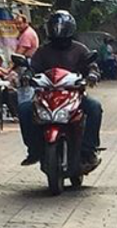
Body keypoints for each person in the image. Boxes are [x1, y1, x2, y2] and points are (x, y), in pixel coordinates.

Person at [18, 9, 102, 168]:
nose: (58, 31)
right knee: (24, 109)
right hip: (46, 96)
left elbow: (91, 65)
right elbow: (33, 67)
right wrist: (27, 75)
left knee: (95, 107)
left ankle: (89, 150)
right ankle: (34, 149)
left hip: (73, 95)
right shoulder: (43, 51)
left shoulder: (80, 49)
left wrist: (92, 74)